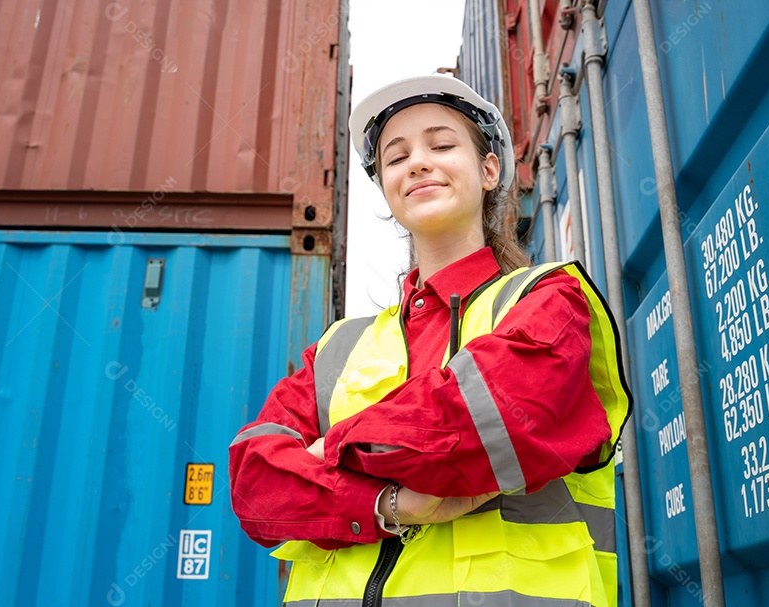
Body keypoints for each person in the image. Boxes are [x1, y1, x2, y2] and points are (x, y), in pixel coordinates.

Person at [229, 75, 631, 607]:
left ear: (489, 171)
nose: (418, 162)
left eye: (441, 145)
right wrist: (388, 503)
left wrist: (330, 447)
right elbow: (255, 483)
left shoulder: (548, 300)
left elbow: (476, 426)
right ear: (387, 189)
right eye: (396, 157)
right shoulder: (339, 348)